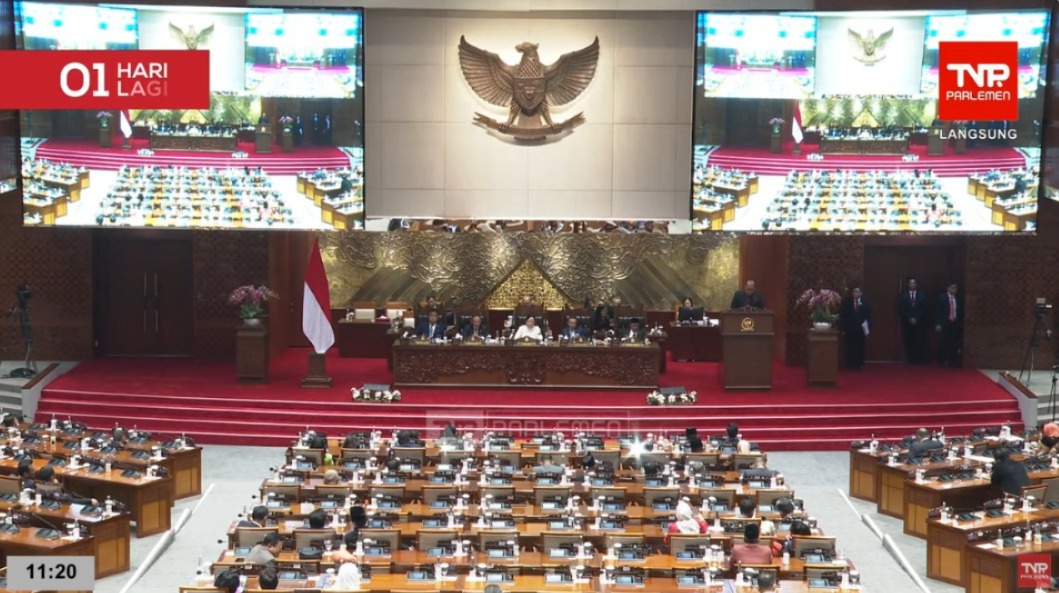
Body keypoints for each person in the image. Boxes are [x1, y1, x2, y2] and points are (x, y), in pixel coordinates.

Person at [840, 286, 871, 370]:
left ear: (861, 293)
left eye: (857, 292)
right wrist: (843, 328)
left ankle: (860, 364)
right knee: (850, 347)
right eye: (854, 292)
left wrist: (869, 329)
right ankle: (850, 364)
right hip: (850, 329)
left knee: (860, 347)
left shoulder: (866, 303)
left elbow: (869, 317)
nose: (855, 293)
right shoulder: (847, 303)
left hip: (861, 330)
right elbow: (843, 316)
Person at [898, 278, 927, 364]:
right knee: (908, 341)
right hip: (907, 322)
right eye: (910, 283)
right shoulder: (903, 296)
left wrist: (916, 318)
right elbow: (902, 309)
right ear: (908, 285)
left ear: (916, 285)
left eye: (914, 283)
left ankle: (918, 359)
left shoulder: (922, 295)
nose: (912, 285)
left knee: (919, 341)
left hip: (919, 322)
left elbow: (923, 308)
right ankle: (909, 359)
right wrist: (910, 318)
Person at [935, 282, 962, 368]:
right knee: (942, 342)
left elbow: (959, 311)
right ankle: (940, 360)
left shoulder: (958, 298)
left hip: (954, 323)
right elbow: (938, 311)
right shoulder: (942, 297)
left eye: (956, 288)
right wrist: (938, 323)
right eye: (953, 288)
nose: (955, 290)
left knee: (954, 343)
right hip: (944, 323)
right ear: (948, 288)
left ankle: (952, 361)